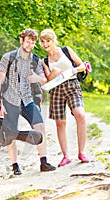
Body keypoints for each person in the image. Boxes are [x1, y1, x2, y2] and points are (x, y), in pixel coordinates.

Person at [0, 28, 56, 175]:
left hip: (27, 100)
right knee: (10, 132)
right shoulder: (8, 57)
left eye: (33, 43)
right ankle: (15, 166)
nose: (30, 45)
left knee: (40, 126)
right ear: (21, 40)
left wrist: (36, 78)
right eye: (28, 42)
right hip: (10, 100)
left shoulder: (35, 60)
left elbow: (43, 79)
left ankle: (44, 162)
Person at [39, 29, 89, 167]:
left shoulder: (66, 50)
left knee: (80, 115)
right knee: (60, 123)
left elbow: (82, 66)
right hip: (56, 90)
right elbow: (48, 80)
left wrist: (72, 70)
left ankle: (81, 152)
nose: (45, 44)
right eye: (42, 41)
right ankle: (66, 156)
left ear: (53, 40)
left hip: (72, 86)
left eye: (47, 41)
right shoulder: (44, 61)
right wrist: (54, 72)